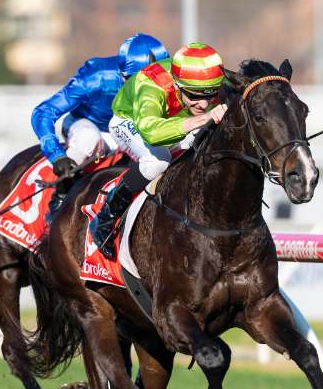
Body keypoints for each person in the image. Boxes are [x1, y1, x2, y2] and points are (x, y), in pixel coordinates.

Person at [89, 43, 228, 260]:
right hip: (131, 121)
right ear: (178, 85)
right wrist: (204, 118)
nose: (203, 104)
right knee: (159, 161)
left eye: (210, 96)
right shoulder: (152, 84)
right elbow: (151, 133)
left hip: (173, 120)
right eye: (194, 96)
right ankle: (106, 216)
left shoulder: (209, 81)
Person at [31, 33, 170, 216]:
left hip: (130, 130)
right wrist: (56, 155)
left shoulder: (171, 79)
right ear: (123, 75)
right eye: (137, 83)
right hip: (88, 125)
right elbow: (44, 112)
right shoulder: (96, 77)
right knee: (89, 138)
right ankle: (60, 199)